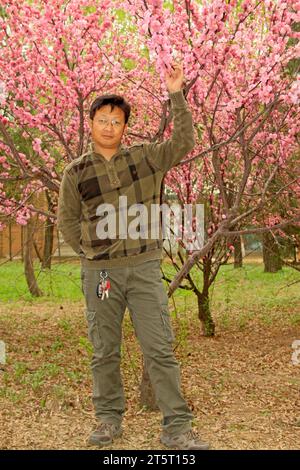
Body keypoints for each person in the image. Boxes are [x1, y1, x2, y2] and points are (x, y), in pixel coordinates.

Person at [57, 62, 210, 450]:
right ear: (90, 123)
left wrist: (176, 95)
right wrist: (93, 253)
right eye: (103, 119)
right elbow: (68, 223)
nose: (109, 126)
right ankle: (109, 419)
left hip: (142, 271)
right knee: (104, 349)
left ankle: (176, 427)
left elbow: (183, 143)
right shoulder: (75, 172)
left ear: (125, 128)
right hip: (101, 277)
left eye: (117, 121)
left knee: (159, 347)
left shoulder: (145, 158)